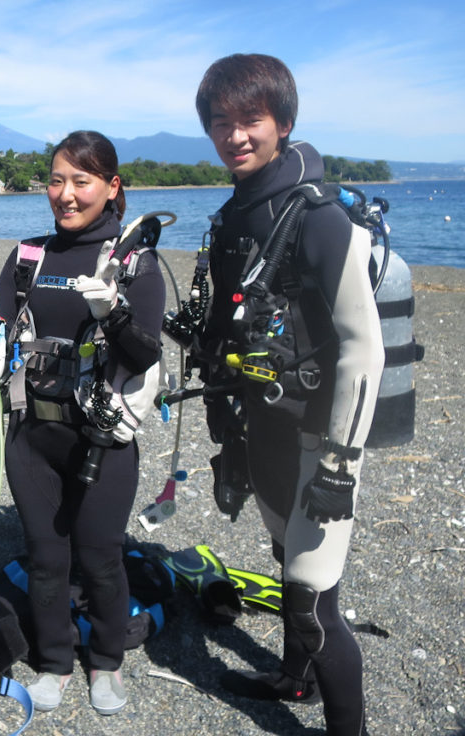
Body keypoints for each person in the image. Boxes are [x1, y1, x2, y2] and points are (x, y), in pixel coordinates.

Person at [191, 54, 384, 735]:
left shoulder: (319, 217)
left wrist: (338, 463)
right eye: (221, 123)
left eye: (251, 120)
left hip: (319, 436)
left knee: (311, 604)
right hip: (264, 426)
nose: (236, 135)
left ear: (284, 123)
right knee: (284, 566)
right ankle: (293, 680)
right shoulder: (235, 215)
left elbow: (366, 348)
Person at [0, 131, 165, 716]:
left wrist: (112, 315)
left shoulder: (134, 262)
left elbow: (142, 356)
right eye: (57, 180)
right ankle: (54, 661)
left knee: (101, 558)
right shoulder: (28, 256)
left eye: (81, 181)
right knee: (44, 556)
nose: (66, 194)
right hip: (32, 436)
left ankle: (108, 661)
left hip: (101, 441)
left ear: (111, 187)